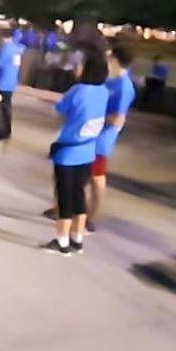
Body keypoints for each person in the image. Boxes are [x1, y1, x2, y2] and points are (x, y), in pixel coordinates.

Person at [42, 45, 109, 255]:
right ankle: (77, 239)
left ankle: (62, 241)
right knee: (79, 196)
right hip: (88, 151)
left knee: (65, 198)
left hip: (68, 152)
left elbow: (59, 109)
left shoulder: (78, 90)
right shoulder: (103, 92)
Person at [87, 44, 137, 232]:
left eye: (109, 57)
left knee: (96, 178)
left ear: (115, 59)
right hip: (91, 133)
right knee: (79, 173)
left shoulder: (124, 87)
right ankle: (64, 207)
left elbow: (117, 120)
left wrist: (94, 114)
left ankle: (91, 217)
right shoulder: (110, 80)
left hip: (102, 140)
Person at [0, 27, 26, 139]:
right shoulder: (17, 49)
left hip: (2, 82)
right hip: (11, 82)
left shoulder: (6, 48)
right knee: (7, 106)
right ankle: (7, 130)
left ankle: (0, 130)